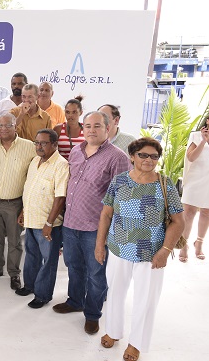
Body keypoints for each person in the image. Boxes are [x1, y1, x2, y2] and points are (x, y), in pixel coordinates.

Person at [96, 137, 184, 361]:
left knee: (146, 301)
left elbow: (178, 221)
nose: (148, 160)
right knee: (115, 292)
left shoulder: (165, 184)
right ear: (132, 156)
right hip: (119, 248)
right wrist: (99, 245)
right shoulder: (119, 181)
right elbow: (106, 214)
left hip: (151, 253)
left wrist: (165, 251)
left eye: (154, 156)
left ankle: (136, 343)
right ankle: (113, 331)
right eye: (143, 155)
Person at [53, 111, 130, 335]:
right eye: (87, 126)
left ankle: (93, 314)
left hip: (96, 228)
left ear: (108, 128)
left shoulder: (117, 157)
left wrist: (111, 231)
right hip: (71, 223)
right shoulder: (76, 151)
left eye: (97, 126)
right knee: (74, 266)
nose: (91, 130)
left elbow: (121, 196)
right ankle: (75, 301)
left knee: (96, 274)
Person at [0, 113, 36, 290]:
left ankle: (14, 273)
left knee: (14, 241)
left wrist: (26, 207)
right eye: (0, 126)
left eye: (8, 125)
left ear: (15, 126)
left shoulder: (29, 147)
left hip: (15, 203)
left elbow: (35, 175)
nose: (3, 129)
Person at [17, 129, 69, 308]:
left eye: (43, 143)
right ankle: (29, 285)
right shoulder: (35, 161)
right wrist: (23, 211)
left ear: (54, 144)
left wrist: (49, 223)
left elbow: (60, 197)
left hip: (48, 224)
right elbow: (29, 188)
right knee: (31, 255)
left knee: (49, 261)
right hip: (31, 218)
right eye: (37, 143)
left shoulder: (61, 165)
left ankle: (42, 295)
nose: (39, 146)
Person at [179, 111, 209, 262]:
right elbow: (191, 157)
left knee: (207, 212)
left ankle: (199, 243)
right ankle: (184, 244)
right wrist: (203, 141)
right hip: (194, 180)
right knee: (189, 213)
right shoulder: (196, 136)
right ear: (207, 120)